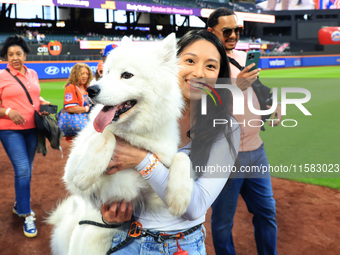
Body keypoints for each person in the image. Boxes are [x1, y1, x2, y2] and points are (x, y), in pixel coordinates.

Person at [100, 29, 241, 254]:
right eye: (190, 60)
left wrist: (142, 160)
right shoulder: (131, 113)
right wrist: (108, 212)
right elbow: (102, 180)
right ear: (169, 63)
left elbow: (195, 208)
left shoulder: (226, 128)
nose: (199, 72)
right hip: (126, 238)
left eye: (211, 66)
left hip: (182, 245)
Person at [207, 7, 281, 255]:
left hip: (256, 150)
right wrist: (236, 87)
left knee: (267, 212)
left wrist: (273, 105)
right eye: (225, 31)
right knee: (222, 224)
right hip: (225, 155)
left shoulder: (241, 56)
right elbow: (202, 108)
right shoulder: (205, 64)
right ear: (211, 32)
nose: (232, 35)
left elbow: (257, 90)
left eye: (236, 30)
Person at [0, 35, 50, 238]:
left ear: (25, 54)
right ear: (6, 57)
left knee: (27, 169)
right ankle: (25, 213)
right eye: (10, 54)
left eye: (18, 53)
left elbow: (34, 98)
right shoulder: (1, 76)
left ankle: (20, 201)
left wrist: (43, 104)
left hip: (32, 128)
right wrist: (7, 111)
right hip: (9, 130)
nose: (14, 57)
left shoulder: (33, 73)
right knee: (22, 169)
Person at [59, 63, 93, 142]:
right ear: (76, 74)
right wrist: (87, 108)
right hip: (76, 122)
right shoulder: (71, 88)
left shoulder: (87, 86)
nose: (85, 76)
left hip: (87, 120)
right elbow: (70, 108)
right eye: (82, 74)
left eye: (87, 74)